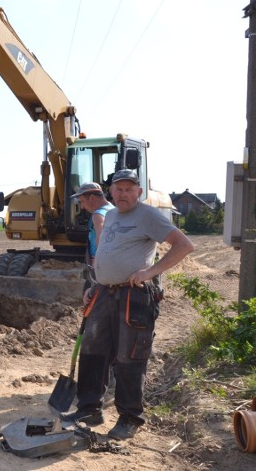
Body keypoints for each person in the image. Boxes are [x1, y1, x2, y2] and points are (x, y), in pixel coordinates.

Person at [61, 169, 194, 441]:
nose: (123, 193)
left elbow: (184, 245)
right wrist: (95, 285)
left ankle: (130, 417)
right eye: (118, 189)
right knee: (92, 351)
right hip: (104, 294)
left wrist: (150, 272)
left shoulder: (147, 215)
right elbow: (107, 253)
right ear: (110, 192)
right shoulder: (109, 215)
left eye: (129, 189)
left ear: (139, 192)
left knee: (129, 357)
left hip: (134, 297)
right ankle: (89, 409)